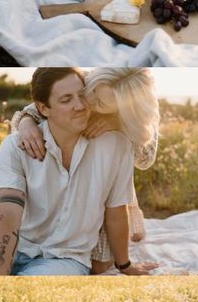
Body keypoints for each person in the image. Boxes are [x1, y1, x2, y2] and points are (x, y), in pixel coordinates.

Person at [0, 67, 156, 275]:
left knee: (78, 273)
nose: (83, 105)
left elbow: (117, 210)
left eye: (88, 99)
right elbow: (7, 213)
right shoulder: (18, 143)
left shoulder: (118, 143)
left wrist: (125, 265)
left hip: (66, 257)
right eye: (69, 99)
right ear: (43, 108)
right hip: (19, 242)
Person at [13, 66, 159, 268]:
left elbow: (145, 159)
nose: (86, 103)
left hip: (106, 172)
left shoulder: (134, 115)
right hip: (76, 165)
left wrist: (118, 123)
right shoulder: (87, 79)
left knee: (99, 266)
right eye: (89, 93)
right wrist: (26, 122)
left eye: (99, 103)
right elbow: (42, 104)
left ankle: (122, 234)